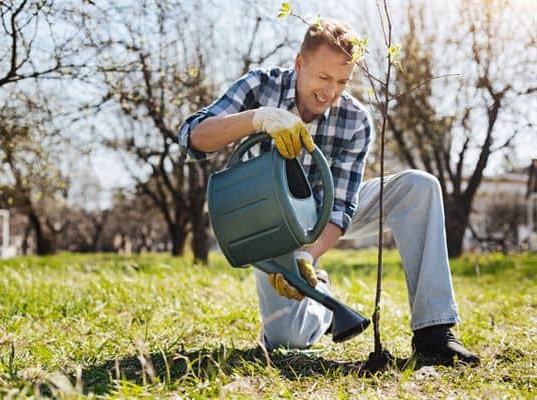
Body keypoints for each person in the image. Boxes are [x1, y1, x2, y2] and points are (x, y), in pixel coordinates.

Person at [178, 19, 479, 366]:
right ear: (300, 63)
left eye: (342, 81)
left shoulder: (355, 120)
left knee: (419, 187)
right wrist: (258, 119)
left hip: (324, 215)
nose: (330, 91)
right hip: (272, 225)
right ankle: (320, 298)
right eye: (323, 77)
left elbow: (341, 206)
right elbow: (194, 136)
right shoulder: (260, 86)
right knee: (286, 339)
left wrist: (309, 254)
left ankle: (434, 333)